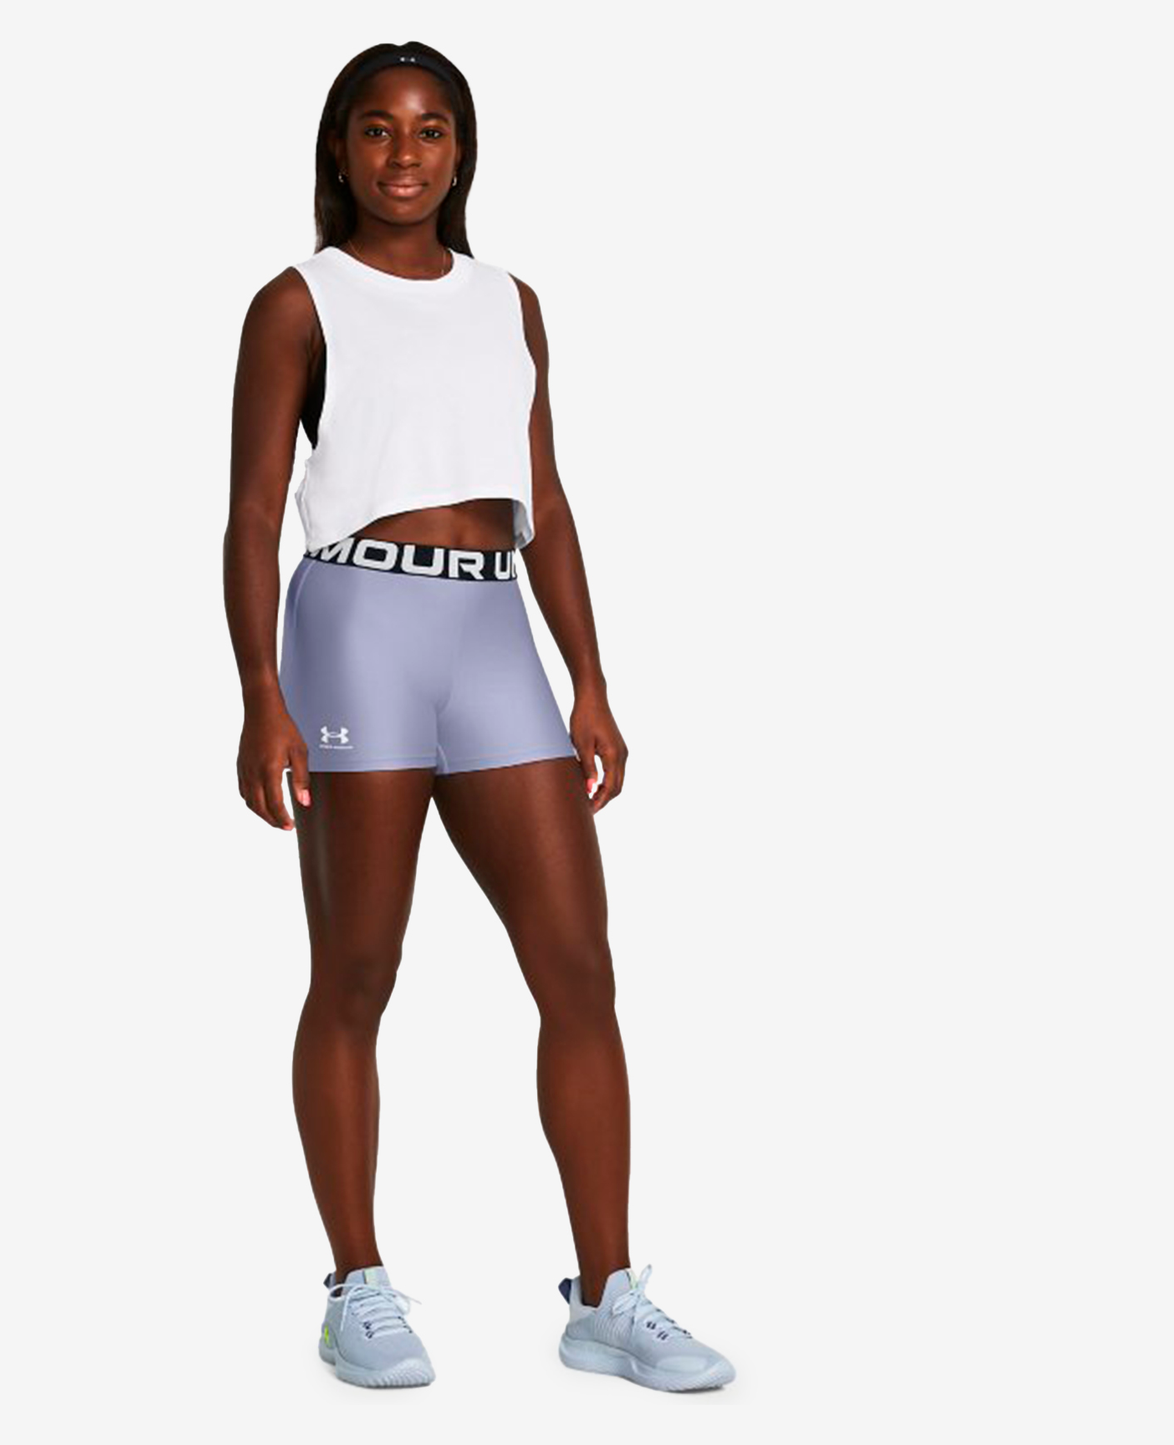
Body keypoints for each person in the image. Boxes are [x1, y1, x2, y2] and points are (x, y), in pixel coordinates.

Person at [223, 41, 736, 1393]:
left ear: (461, 151)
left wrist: (590, 677)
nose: (405, 154)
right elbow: (254, 510)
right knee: (358, 972)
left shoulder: (511, 302)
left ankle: (608, 1296)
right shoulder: (298, 303)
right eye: (378, 129)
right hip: (356, 626)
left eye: (431, 128)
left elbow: (544, 499)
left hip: (493, 626)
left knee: (580, 969)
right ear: (341, 149)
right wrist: (261, 694)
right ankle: (356, 1285)